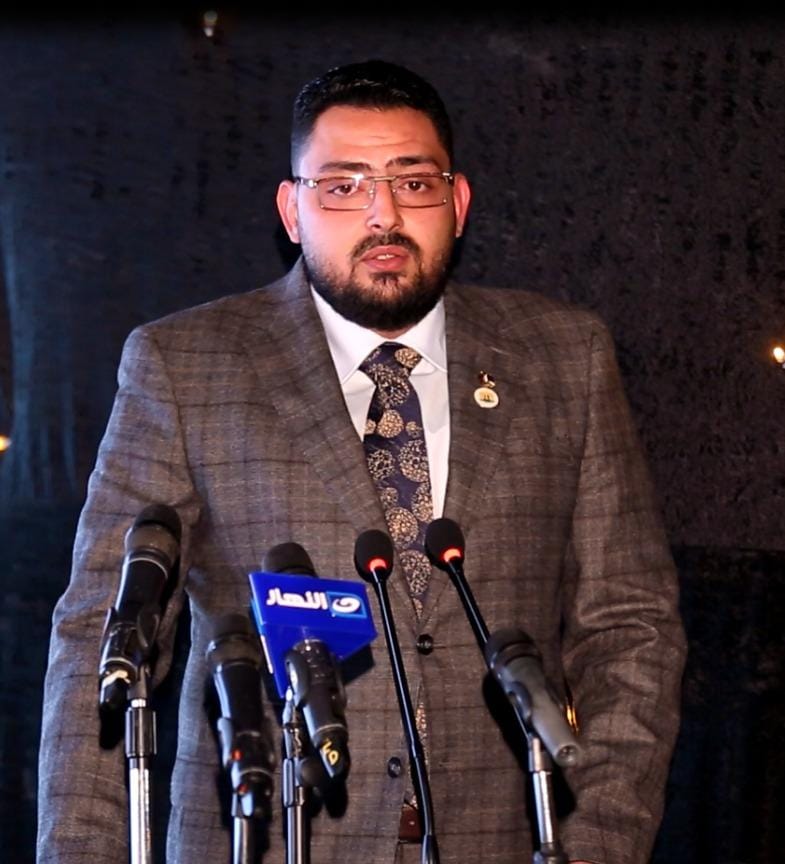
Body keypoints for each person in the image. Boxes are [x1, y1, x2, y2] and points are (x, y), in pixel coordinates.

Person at [37, 59, 686, 864]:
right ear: (292, 210)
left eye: (412, 183)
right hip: (270, 840)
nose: (384, 215)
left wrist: (594, 846)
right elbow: (101, 642)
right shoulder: (186, 365)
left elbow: (630, 630)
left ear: (457, 202)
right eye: (343, 186)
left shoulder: (564, 357)